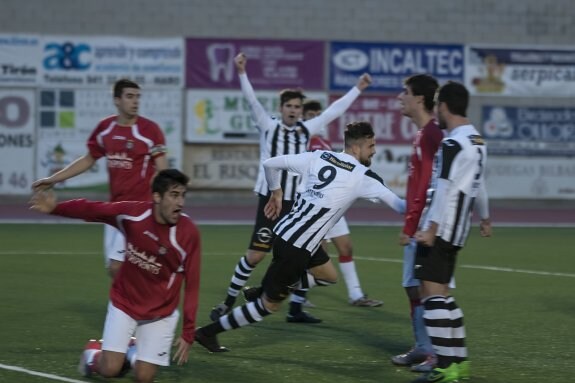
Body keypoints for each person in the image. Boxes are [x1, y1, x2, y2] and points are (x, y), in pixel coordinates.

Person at [194, 121, 406, 353]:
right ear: (356, 148)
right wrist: (429, 199)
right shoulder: (363, 175)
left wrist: (276, 191)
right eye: (371, 145)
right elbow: (401, 207)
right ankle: (208, 333)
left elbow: (269, 164)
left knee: (328, 276)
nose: (374, 150)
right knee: (269, 306)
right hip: (297, 247)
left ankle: (264, 286)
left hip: (288, 233)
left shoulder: (318, 156)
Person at [210, 52, 372, 324]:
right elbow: (251, 100)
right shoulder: (267, 126)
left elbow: (335, 111)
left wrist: (358, 88)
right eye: (290, 106)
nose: (294, 110)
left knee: (303, 257)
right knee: (256, 255)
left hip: (295, 205)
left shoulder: (305, 130)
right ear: (282, 107)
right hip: (270, 200)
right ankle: (227, 302)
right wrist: (241, 72)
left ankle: (275, 296)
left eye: (297, 106)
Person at [29, 169, 200, 383]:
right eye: (174, 195)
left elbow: (192, 284)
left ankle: (130, 350)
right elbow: (93, 209)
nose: (180, 202)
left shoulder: (188, 233)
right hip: (124, 303)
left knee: (144, 378)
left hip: (161, 313)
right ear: (157, 197)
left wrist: (188, 330)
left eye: (183, 195)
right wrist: (55, 208)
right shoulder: (133, 215)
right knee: (110, 369)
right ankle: (92, 355)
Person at [31, 78, 168, 278]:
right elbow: (88, 160)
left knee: (117, 267)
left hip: (139, 210)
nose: (135, 101)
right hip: (114, 210)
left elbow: (162, 169)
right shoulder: (105, 129)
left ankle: (136, 306)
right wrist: (53, 179)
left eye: (138, 97)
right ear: (117, 100)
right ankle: (140, 305)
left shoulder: (150, 131)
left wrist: (162, 200)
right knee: (117, 271)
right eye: (130, 96)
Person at [411, 82, 492, 383]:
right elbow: (479, 184)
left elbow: (443, 188)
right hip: (458, 230)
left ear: (444, 106)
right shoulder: (478, 141)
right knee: (443, 296)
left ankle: (445, 368)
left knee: (430, 296)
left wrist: (430, 228)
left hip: (441, 228)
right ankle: (459, 362)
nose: (435, 112)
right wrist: (485, 216)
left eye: (436, 106)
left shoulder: (452, 144)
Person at [302, 99, 383, 307]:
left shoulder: (324, 143)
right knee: (321, 258)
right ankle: (294, 296)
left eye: (318, 115)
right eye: (310, 116)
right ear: (304, 118)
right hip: (317, 205)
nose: (315, 119)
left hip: (335, 205)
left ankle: (355, 295)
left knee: (346, 247)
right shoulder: (301, 141)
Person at [391, 74, 443, 372]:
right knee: (413, 288)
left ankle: (438, 353)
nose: (401, 97)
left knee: (431, 288)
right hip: (419, 224)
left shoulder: (433, 135)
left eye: (405, 92)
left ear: (419, 99)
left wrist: (412, 227)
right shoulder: (423, 134)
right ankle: (423, 347)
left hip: (428, 228)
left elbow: (430, 186)